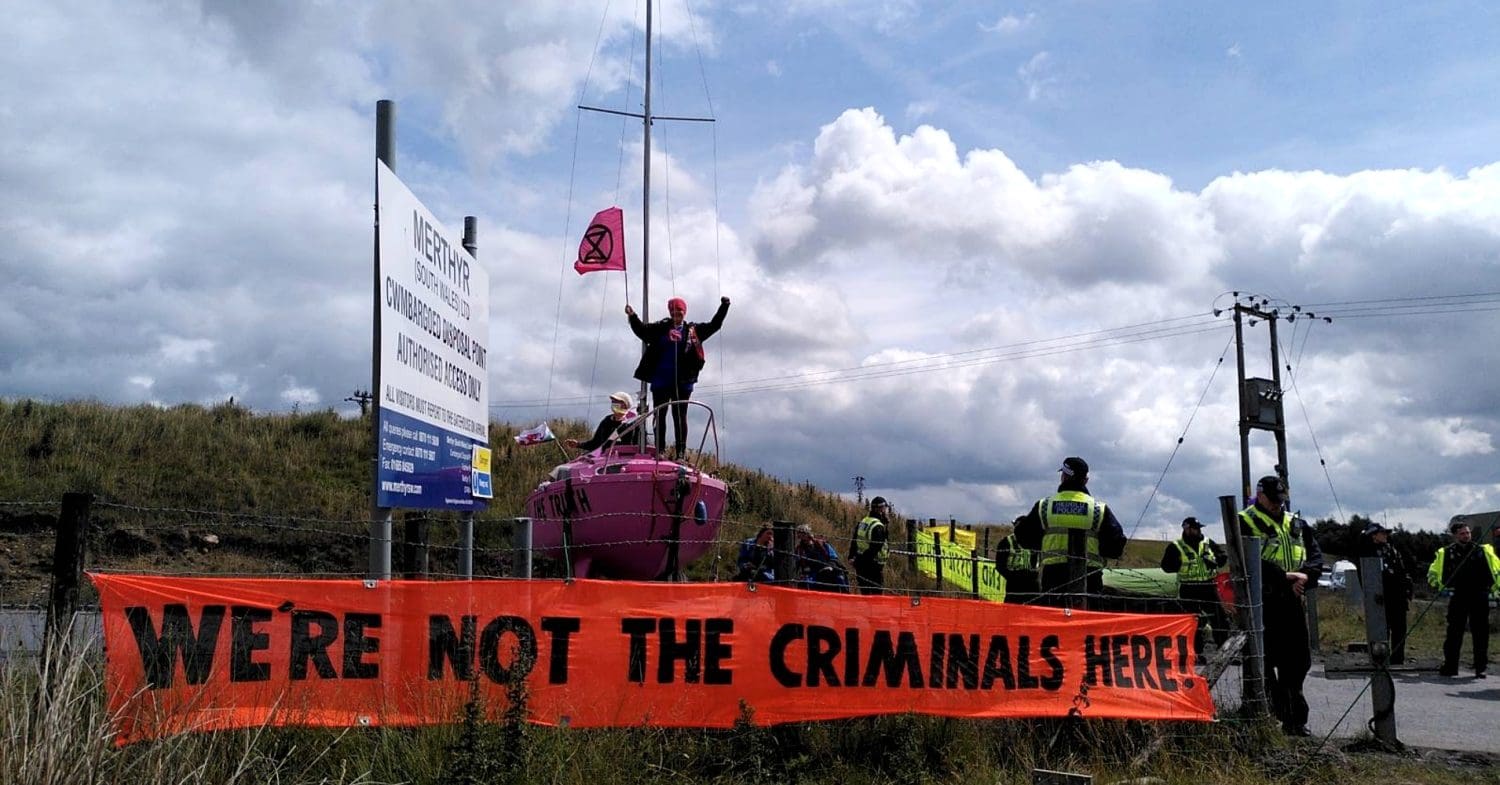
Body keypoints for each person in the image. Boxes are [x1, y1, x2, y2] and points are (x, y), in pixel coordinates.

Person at [1238, 474, 1324, 737]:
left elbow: (1315, 554)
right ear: (1260, 495)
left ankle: (1294, 721)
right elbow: (1243, 559)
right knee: (1262, 662)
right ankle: (1259, 715)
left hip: (1293, 599)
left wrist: (1306, 576)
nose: (1278, 505)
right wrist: (1285, 577)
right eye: (1273, 500)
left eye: (1281, 500)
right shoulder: (1245, 520)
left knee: (1297, 662)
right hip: (1263, 600)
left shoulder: (1295, 522)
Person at [625, 295, 731, 458]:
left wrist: (724, 306)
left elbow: (715, 325)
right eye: (673, 311)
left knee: (679, 416)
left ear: (684, 312)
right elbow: (642, 331)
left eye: (679, 311)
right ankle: (660, 450)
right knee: (660, 415)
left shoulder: (694, 330)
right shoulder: (661, 328)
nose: (676, 314)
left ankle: (680, 453)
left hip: (683, 382)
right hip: (661, 380)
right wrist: (632, 316)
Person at [1014, 457, 1128, 608]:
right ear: (1085, 480)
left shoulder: (1045, 506)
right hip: (1090, 577)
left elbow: (1024, 537)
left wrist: (1043, 544)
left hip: (1053, 576)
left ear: (1063, 477)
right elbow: (1116, 546)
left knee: (1054, 623)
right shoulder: (1098, 509)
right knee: (1087, 625)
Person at [1427, 522, 1500, 678]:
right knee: (1454, 633)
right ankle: (1451, 666)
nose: (1466, 536)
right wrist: (1440, 586)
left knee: (1481, 633)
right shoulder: (1446, 553)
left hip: (1479, 595)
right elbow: (1435, 573)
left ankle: (1480, 667)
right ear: (1455, 536)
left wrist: (1492, 589)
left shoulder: (1482, 551)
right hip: (1458, 596)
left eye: (1467, 533)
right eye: (1462, 533)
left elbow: (1494, 571)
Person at [1161, 516, 1229, 654]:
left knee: (1219, 618)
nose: (1198, 531)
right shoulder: (1176, 546)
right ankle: (1195, 653)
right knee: (1192, 621)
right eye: (1195, 528)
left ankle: (1224, 650)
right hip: (1188, 587)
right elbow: (1166, 566)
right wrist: (1178, 564)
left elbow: (1223, 558)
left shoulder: (1207, 542)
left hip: (1208, 586)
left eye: (1198, 528)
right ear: (1186, 529)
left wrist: (1214, 560)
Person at [1355, 522, 1415, 665]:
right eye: (1382, 533)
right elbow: (1366, 577)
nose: (1386, 536)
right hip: (1380, 597)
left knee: (1400, 629)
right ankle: (1380, 658)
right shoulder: (1367, 552)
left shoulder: (1391, 550)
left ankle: (1397, 659)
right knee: (1381, 630)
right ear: (1373, 535)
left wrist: (1407, 584)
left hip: (1398, 596)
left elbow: (1401, 570)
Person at [565, 391, 640, 452]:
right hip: (604, 460)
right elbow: (595, 443)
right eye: (613, 401)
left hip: (625, 460)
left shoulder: (633, 422)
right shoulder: (606, 421)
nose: (614, 404)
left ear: (625, 405)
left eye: (617, 401)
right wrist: (578, 444)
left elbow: (641, 445)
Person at [849, 496, 891, 594]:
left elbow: (854, 540)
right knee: (876, 595)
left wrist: (852, 557)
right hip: (873, 565)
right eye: (884, 508)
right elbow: (875, 547)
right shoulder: (877, 526)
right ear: (880, 509)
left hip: (860, 564)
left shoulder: (864, 521)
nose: (886, 511)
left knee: (865, 593)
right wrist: (860, 561)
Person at [995, 516, 1039, 603]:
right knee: (1012, 611)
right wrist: (1012, 577)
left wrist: (1034, 575)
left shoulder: (1035, 541)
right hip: (1014, 584)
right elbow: (1000, 565)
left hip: (1032, 584)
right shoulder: (1006, 542)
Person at [794, 524, 848, 592]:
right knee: (805, 584)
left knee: (839, 576)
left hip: (828, 569)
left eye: (804, 534)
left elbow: (833, 558)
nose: (803, 537)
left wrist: (830, 566)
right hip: (812, 574)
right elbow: (796, 565)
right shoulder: (799, 550)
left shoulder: (822, 544)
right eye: (800, 535)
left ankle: (845, 596)